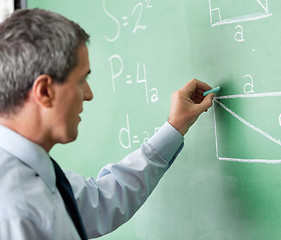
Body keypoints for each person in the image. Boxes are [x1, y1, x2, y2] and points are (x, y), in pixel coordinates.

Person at [0, 8, 214, 239]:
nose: (89, 94)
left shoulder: (35, 177)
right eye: (81, 80)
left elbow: (101, 201)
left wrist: (175, 126)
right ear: (44, 91)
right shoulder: (16, 210)